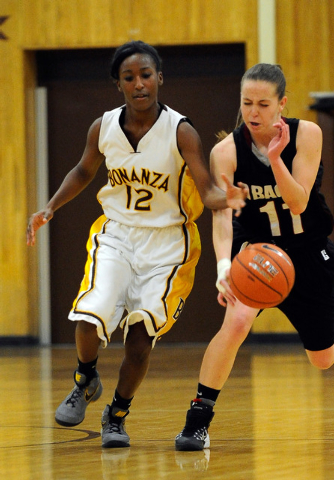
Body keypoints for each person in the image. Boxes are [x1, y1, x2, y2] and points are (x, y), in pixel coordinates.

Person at [26, 40, 248, 448]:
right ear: (118, 84)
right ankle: (85, 377)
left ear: (159, 78)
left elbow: (206, 187)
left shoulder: (182, 130)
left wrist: (228, 196)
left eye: (146, 75)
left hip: (168, 245)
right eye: (129, 77)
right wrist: (50, 207)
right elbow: (82, 169)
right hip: (118, 233)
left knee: (141, 340)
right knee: (88, 315)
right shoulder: (104, 126)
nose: (139, 83)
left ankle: (117, 415)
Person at [175, 63, 334, 451]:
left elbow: (297, 201)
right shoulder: (226, 152)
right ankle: (197, 422)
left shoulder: (307, 134)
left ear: (282, 104)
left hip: (306, 248)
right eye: (246, 104)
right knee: (237, 321)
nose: (253, 113)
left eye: (262, 104)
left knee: (323, 360)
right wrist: (224, 266)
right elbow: (223, 215)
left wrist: (275, 159)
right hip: (256, 250)